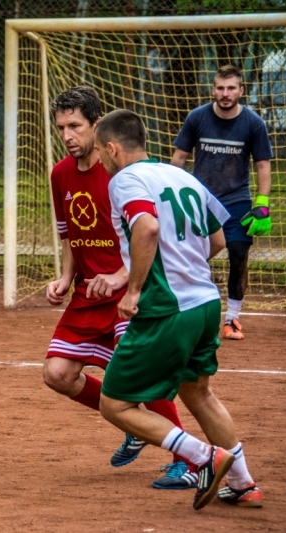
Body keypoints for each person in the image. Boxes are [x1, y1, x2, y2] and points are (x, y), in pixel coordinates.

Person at [96, 109, 263, 510]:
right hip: (205, 303)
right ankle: (243, 483)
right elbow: (219, 239)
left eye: (102, 152)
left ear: (113, 148)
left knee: (115, 403)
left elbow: (147, 227)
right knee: (198, 392)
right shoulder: (181, 175)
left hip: (166, 308)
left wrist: (134, 289)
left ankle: (205, 457)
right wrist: (185, 263)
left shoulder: (125, 179)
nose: (102, 160)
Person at [44, 86, 197, 489]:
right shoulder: (59, 174)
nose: (68, 136)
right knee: (57, 374)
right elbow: (70, 236)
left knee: (138, 377)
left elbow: (151, 234)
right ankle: (134, 424)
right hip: (88, 295)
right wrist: (65, 277)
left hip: (129, 294)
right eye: (61, 128)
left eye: (75, 126)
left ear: (98, 125)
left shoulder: (124, 176)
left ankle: (188, 459)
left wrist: (125, 279)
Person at [170, 65, 273, 341]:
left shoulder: (254, 123)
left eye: (230, 88)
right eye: (220, 88)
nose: (225, 94)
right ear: (213, 89)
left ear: (241, 90)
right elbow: (179, 157)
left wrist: (262, 203)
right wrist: (174, 192)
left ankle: (232, 319)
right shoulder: (197, 118)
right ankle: (185, 312)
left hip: (237, 201)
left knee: (239, 254)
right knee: (192, 255)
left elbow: (263, 165)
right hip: (199, 199)